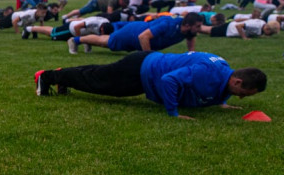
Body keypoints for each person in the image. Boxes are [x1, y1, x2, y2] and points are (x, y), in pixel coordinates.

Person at [34, 51, 266, 119]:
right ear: (237, 81)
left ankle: (62, 77)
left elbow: (219, 88)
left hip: (146, 65)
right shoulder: (208, 72)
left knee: (98, 76)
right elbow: (169, 80)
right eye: (245, 93)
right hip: (142, 70)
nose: (243, 98)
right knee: (99, 82)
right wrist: (173, 113)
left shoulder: (224, 69)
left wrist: (222, 103)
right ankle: (48, 77)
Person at [69, 13, 203, 54]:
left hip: (138, 32)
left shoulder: (188, 31)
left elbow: (191, 40)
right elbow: (143, 36)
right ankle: (76, 40)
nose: (199, 29)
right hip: (133, 33)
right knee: (107, 42)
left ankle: (83, 40)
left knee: (107, 40)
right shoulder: (168, 25)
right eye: (197, 26)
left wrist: (191, 53)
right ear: (187, 25)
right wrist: (149, 57)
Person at [62, 0, 128, 20]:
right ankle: (66, 16)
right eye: (122, 4)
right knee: (82, 11)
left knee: (83, 13)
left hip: (101, 6)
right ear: (121, 0)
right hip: (96, 3)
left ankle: (74, 19)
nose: (122, 6)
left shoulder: (121, 1)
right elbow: (109, 11)